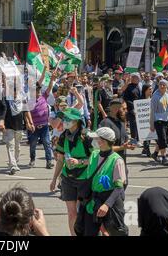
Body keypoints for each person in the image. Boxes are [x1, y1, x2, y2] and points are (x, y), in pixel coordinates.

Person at [74, 127, 128, 236]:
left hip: (110, 202)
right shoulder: (94, 154)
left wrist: (106, 205)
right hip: (92, 201)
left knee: (117, 232)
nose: (94, 141)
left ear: (103, 141)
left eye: (96, 139)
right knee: (87, 232)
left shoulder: (117, 160)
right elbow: (89, 169)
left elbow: (119, 187)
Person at [55, 107, 94, 236]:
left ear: (76, 121)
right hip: (67, 178)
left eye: (67, 118)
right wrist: (54, 179)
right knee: (71, 213)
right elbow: (60, 160)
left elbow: (97, 158)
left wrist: (80, 162)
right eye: (64, 118)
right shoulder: (63, 136)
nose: (64, 120)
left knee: (84, 211)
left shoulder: (87, 136)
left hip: (84, 179)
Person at [28, 69, 58, 169]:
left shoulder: (44, 96)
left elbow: (49, 87)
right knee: (33, 144)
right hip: (34, 127)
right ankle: (32, 159)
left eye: (39, 90)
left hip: (44, 126)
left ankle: (49, 161)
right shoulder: (30, 100)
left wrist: (52, 79)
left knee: (47, 143)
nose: (39, 91)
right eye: (37, 90)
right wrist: (29, 123)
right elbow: (26, 113)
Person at [99, 99, 135, 180]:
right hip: (109, 170)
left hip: (121, 165)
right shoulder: (105, 124)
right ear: (116, 109)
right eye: (124, 109)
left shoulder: (121, 122)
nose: (126, 111)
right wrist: (122, 147)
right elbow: (102, 148)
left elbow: (123, 141)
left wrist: (129, 144)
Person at [150, 79, 168, 166]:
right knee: (163, 139)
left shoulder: (167, 95)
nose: (162, 86)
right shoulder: (155, 96)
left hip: (166, 120)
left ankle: (155, 154)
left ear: (166, 86)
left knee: (162, 139)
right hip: (158, 120)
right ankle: (164, 157)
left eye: (164, 85)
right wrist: (151, 124)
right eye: (160, 85)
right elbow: (152, 111)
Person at [121, 72, 141, 142]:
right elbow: (126, 98)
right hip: (131, 108)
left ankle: (138, 139)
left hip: (138, 108)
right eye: (133, 77)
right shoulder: (129, 86)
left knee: (138, 124)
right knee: (133, 124)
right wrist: (133, 107)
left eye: (136, 77)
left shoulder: (139, 86)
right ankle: (133, 140)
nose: (135, 79)